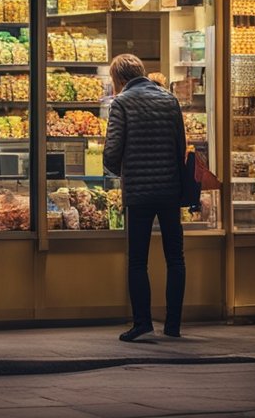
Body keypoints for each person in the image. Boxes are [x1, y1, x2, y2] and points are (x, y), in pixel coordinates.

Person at [103, 54, 187, 342]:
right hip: (169, 191)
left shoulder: (122, 103)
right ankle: (174, 324)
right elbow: (181, 148)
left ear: (118, 80)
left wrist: (124, 170)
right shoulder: (169, 100)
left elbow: (112, 152)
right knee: (175, 258)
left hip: (139, 193)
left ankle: (142, 322)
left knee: (138, 260)